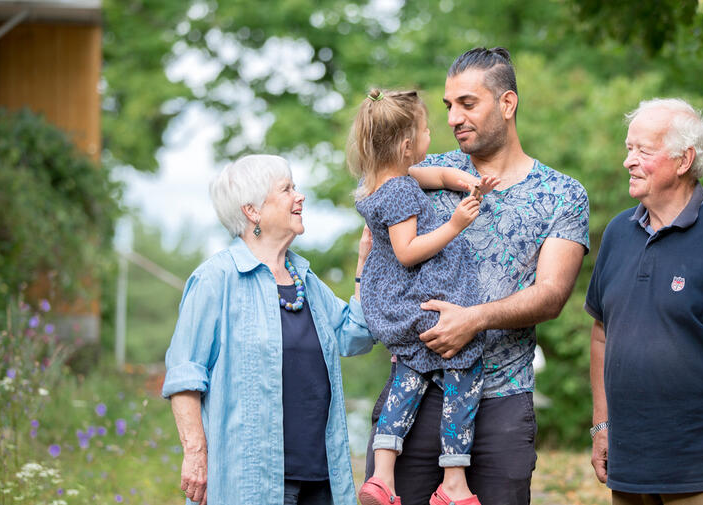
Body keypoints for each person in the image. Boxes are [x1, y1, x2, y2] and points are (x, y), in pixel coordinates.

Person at [364, 47, 591, 505]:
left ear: (507, 104)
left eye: (467, 104)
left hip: (501, 402)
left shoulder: (563, 195)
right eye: (448, 106)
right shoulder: (421, 175)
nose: (453, 117)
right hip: (414, 393)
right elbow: (376, 246)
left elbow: (550, 296)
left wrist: (473, 319)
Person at [584, 98, 703, 505]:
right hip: (631, 470)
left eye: (643, 151)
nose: (628, 161)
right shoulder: (618, 234)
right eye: (628, 148)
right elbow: (602, 335)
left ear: (684, 160)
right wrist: (601, 426)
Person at [162, 154, 375, 505]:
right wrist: (196, 455)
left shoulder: (305, 280)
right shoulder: (216, 280)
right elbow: (185, 374)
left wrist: (364, 264)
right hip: (251, 482)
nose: (299, 196)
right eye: (287, 188)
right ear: (252, 211)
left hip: (322, 478)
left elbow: (355, 336)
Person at [348, 88, 500, 505]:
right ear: (406, 144)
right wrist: (455, 224)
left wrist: (465, 180)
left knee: (409, 376)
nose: (434, 135)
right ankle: (454, 481)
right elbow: (406, 250)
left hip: (396, 301)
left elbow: (436, 176)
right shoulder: (398, 192)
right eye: (426, 130)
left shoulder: (385, 179)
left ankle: (382, 476)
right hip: (416, 300)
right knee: (465, 364)